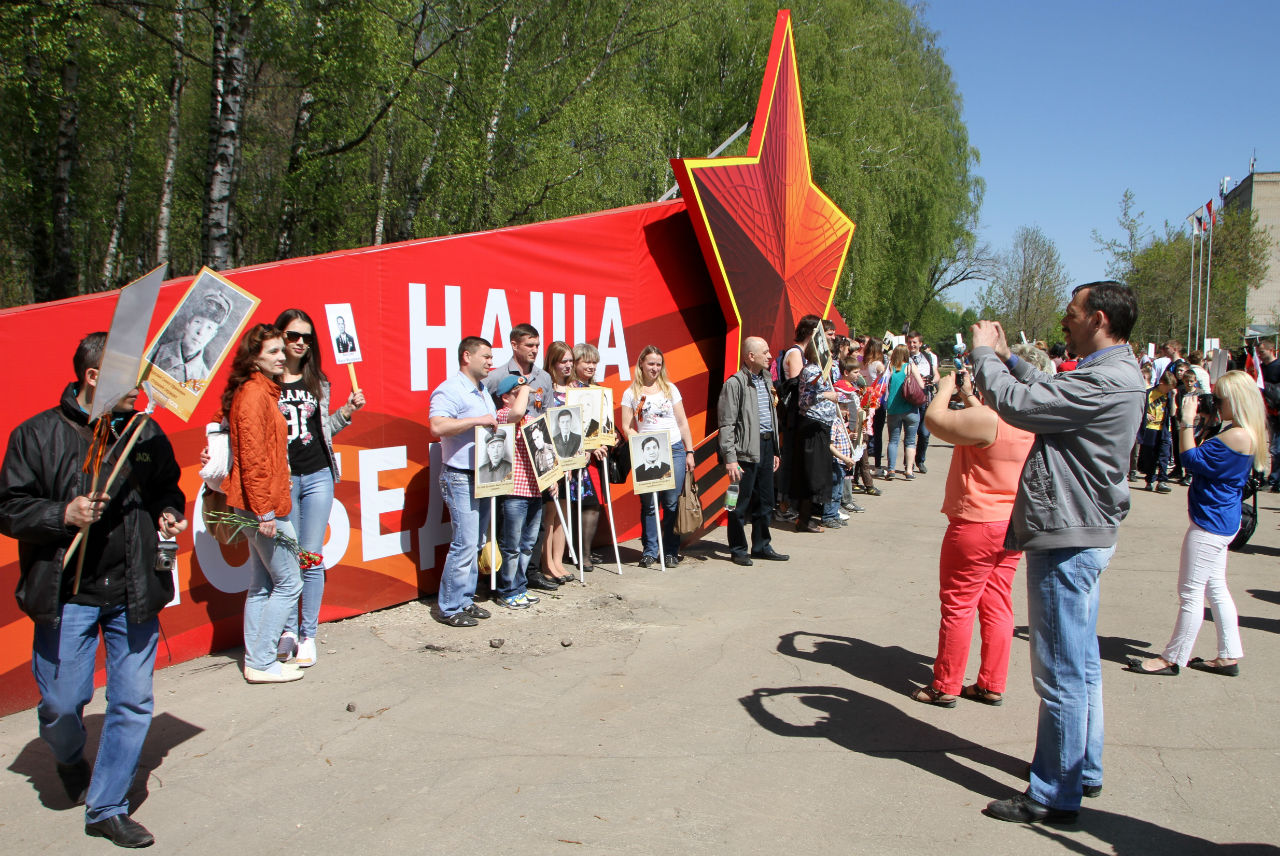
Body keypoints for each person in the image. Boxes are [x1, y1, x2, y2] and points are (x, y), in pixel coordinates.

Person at [0, 332, 187, 848]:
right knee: (63, 703)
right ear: (92, 377)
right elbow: (8, 508)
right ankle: (66, 756)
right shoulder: (36, 435)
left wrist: (170, 512)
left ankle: (106, 807)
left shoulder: (146, 434)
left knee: (132, 703)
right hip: (67, 598)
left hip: (134, 591)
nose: (142, 384)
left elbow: (169, 488)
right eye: (130, 374)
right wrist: (62, 514)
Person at [970, 281, 1146, 824]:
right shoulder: (1114, 373)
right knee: (1082, 664)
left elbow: (1021, 403)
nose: (1064, 321)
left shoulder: (1107, 380)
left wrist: (983, 356)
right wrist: (1010, 359)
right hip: (1081, 531)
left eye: (1071, 313)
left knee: (1060, 673)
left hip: (1067, 536)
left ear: (1097, 318)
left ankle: (1052, 794)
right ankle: (1081, 770)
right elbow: (1049, 387)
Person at [910, 355, 1035, 708]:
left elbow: (934, 419)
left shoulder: (989, 419)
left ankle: (945, 685)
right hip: (1010, 522)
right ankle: (992, 683)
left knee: (958, 604)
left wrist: (947, 385)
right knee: (997, 602)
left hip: (975, 523)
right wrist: (969, 396)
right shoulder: (1028, 419)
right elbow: (984, 425)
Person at [1127, 371, 1266, 678]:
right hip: (1220, 519)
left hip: (1210, 523)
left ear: (1237, 401)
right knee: (1216, 588)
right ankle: (1229, 655)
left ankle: (1173, 658)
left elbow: (1189, 460)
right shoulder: (1242, 431)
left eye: (1221, 399)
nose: (1216, 403)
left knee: (1191, 593)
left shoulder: (1238, 435)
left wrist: (1186, 421)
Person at [273, 308, 365, 669]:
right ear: (279, 336)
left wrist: (345, 412)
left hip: (318, 475)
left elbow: (322, 430)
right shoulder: (266, 381)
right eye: (293, 335)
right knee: (286, 558)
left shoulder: (318, 381)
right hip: (283, 478)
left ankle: (308, 634)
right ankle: (287, 630)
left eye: (306, 338)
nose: (299, 343)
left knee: (311, 556)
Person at [220, 324, 306, 683]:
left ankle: (257, 658)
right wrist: (265, 512)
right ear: (253, 357)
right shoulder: (255, 394)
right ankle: (260, 661)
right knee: (290, 583)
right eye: (272, 352)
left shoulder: (257, 392)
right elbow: (253, 459)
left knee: (261, 585)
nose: (281, 356)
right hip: (264, 504)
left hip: (258, 502)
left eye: (280, 350)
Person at [428, 336, 498, 627]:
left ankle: (465, 599)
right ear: (466, 356)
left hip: (483, 475)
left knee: (476, 541)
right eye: (485, 356)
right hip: (459, 476)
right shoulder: (449, 390)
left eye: (492, 357)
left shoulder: (482, 391)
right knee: (464, 542)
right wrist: (476, 421)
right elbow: (437, 426)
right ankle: (449, 606)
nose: (490, 362)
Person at [621, 345, 695, 567]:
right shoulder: (631, 392)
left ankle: (671, 550)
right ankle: (650, 550)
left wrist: (689, 451)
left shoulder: (670, 389)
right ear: (641, 363)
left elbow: (682, 423)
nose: (654, 368)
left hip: (673, 449)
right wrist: (639, 442)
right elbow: (626, 426)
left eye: (658, 364)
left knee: (671, 502)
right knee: (650, 504)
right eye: (651, 363)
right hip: (647, 452)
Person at [717, 336, 788, 566]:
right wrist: (730, 458)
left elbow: (771, 417)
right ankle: (738, 549)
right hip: (744, 451)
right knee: (737, 502)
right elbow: (726, 424)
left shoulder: (766, 379)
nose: (770, 356)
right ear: (750, 356)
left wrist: (775, 449)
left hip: (766, 447)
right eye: (765, 352)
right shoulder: (735, 383)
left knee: (766, 501)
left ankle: (761, 545)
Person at [491, 375, 543, 609]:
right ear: (505, 397)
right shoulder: (503, 415)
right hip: (514, 491)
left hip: (534, 490)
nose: (523, 396)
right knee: (511, 545)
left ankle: (520, 587)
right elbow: (516, 413)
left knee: (527, 544)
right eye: (516, 393)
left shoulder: (530, 419)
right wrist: (525, 390)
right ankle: (506, 590)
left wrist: (550, 477)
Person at [789, 335, 841, 531]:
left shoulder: (824, 370)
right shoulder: (811, 370)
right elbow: (804, 401)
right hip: (812, 425)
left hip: (822, 425)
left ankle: (808, 516)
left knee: (818, 474)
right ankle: (804, 519)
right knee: (811, 475)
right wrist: (825, 395)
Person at [537, 341, 576, 585]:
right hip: (551, 457)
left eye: (571, 361)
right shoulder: (546, 388)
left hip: (572, 456)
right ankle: (546, 563)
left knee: (564, 511)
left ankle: (558, 561)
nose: (568, 365)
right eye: (564, 361)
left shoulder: (576, 388)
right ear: (552, 362)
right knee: (550, 512)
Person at [149, 290, 231, 384]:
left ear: (212, 336)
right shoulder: (156, 350)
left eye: (209, 327)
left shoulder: (204, 379)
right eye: (198, 322)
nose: (200, 332)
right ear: (188, 324)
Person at [484, 323, 554, 416]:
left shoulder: (544, 377)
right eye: (530, 345)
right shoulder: (496, 376)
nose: (535, 350)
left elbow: (549, 414)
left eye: (537, 346)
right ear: (514, 345)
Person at [883, 344, 925, 480]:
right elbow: (922, 385)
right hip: (910, 409)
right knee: (910, 441)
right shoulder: (910, 367)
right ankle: (909, 471)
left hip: (893, 409)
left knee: (893, 441)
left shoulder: (890, 367)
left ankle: (891, 470)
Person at [1137, 370, 1177, 493]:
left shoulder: (1169, 396)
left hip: (1163, 430)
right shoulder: (1149, 393)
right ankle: (1150, 480)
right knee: (1150, 456)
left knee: (1164, 455)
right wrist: (1146, 415)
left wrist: (1174, 397)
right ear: (1161, 383)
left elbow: (1173, 413)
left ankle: (1162, 480)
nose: (1168, 391)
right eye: (1167, 388)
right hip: (1150, 429)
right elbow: (1140, 409)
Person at [907, 331, 937, 473]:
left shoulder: (929, 357)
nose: (912, 345)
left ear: (920, 343)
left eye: (914, 342)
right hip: (910, 398)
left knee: (924, 433)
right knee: (911, 433)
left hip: (926, 398)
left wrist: (932, 380)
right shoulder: (905, 357)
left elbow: (936, 374)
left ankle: (920, 460)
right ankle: (910, 462)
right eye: (910, 342)